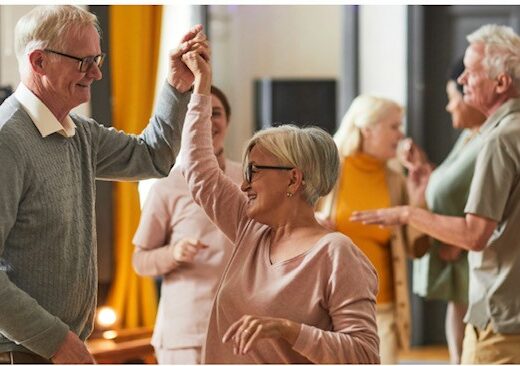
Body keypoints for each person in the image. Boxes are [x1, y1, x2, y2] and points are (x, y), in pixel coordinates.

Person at [0, 5, 208, 364]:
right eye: (83, 62)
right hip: (23, 353)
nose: (96, 73)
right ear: (38, 62)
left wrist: (176, 85)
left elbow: (153, 156)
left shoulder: (78, 132)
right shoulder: (7, 141)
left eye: (98, 59)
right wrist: (56, 342)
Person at [175, 48, 380, 363]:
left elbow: (364, 356)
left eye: (254, 171)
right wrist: (201, 86)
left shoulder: (336, 253)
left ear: (294, 179)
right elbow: (199, 169)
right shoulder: (250, 228)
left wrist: (288, 329)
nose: (244, 184)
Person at [351, 24, 520, 364]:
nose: (461, 82)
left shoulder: (500, 139)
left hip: (501, 318)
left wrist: (407, 214)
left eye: (471, 74)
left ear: (501, 83)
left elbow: (474, 236)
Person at [132, 85, 242, 364]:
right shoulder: (167, 184)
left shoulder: (248, 179)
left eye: (215, 113)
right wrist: (174, 253)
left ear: (227, 121)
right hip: (187, 335)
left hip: (243, 332)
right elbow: (140, 260)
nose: (208, 121)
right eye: (199, 113)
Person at [318, 95, 427, 364]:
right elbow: (290, 225)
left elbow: (417, 248)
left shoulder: (395, 179)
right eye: (393, 126)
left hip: (382, 308)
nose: (401, 134)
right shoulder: (327, 171)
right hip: (329, 308)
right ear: (367, 129)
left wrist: (418, 198)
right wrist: (315, 222)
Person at [402, 58, 487, 364]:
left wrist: (462, 239)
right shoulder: (469, 136)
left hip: (472, 252)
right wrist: (426, 174)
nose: (449, 107)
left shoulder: (495, 140)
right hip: (459, 255)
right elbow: (453, 184)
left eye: (452, 98)